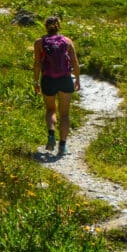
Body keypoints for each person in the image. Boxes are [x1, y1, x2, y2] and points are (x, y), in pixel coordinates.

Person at [33, 16, 81, 155]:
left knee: (50, 110)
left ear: (45, 26)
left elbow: (37, 64)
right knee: (64, 114)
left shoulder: (39, 42)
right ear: (59, 26)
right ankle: (63, 146)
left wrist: (36, 81)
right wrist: (77, 79)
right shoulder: (67, 41)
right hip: (65, 79)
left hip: (48, 79)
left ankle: (51, 135)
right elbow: (75, 62)